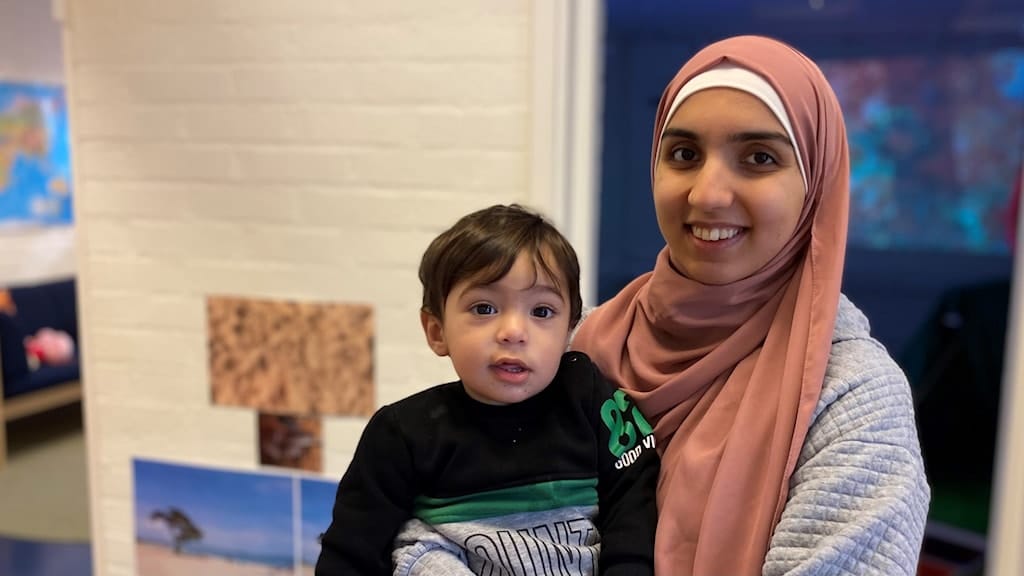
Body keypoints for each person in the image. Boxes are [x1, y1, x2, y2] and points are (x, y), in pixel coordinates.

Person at [571, 35, 930, 576]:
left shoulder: (851, 395)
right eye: (684, 154)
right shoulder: (582, 342)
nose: (708, 195)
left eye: (759, 158)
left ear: (814, 184)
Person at [316, 204, 659, 575]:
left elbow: (634, 499)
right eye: (484, 308)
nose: (513, 332)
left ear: (569, 331)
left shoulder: (589, 396)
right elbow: (350, 554)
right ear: (437, 331)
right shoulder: (401, 433)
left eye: (542, 312)